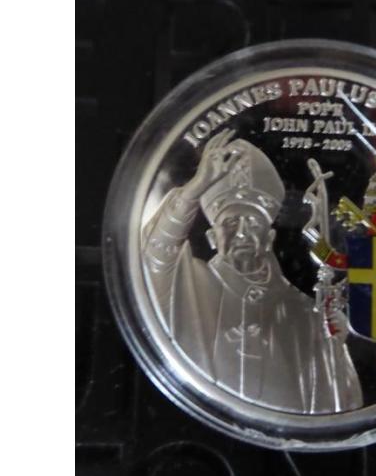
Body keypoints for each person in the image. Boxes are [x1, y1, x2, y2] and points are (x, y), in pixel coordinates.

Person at [142, 129, 363, 414]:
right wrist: (194, 189)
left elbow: (339, 405)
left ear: (269, 238)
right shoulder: (189, 284)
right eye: (231, 223)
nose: (242, 233)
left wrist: (332, 347)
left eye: (254, 223)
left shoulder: (304, 313)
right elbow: (153, 256)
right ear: (212, 238)